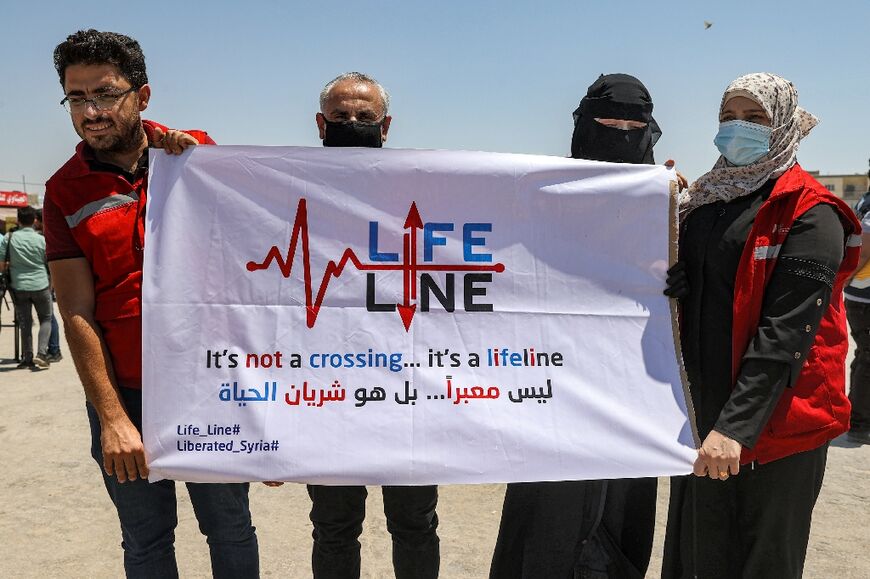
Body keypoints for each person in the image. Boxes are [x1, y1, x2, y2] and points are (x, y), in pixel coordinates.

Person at [43, 29, 259, 578]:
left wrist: (264, 413)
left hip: (208, 389)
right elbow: (76, 311)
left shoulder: (197, 154)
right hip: (128, 396)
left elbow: (254, 268)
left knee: (230, 531)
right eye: (76, 97)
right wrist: (111, 417)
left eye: (106, 93)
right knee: (146, 541)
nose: (91, 111)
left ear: (142, 96)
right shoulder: (64, 190)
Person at [662, 72, 860, 578]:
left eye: (755, 118)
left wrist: (734, 429)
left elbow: (787, 331)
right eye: (729, 117)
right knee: (698, 557)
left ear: (785, 125)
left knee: (760, 563)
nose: (737, 128)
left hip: (776, 425)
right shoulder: (707, 201)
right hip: (705, 415)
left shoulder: (812, 213)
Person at [489, 73, 678, 579]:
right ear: (582, 123)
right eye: (606, 122)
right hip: (555, 382)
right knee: (547, 515)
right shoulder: (544, 193)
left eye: (630, 124)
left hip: (633, 386)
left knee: (619, 510)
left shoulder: (667, 201)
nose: (618, 133)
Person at [307, 72, 439, 579]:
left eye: (365, 117)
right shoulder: (286, 186)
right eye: (340, 117)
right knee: (334, 527)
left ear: (386, 127)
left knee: (415, 523)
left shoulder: (424, 185)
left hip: (409, 389)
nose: (353, 124)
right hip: (326, 387)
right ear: (320, 124)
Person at [0, 205, 52, 369]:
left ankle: (27, 357)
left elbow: (2, 265)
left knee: (25, 322)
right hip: (41, 284)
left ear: (18, 220)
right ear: (35, 221)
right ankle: (42, 354)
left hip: (19, 286)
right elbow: (49, 263)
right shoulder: (42, 239)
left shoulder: (9, 238)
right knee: (46, 318)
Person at [843, 168, 870, 445]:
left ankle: (856, 416)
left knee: (864, 356)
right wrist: (845, 280)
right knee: (868, 359)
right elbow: (863, 251)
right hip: (864, 297)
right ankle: (860, 424)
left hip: (860, 295)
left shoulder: (864, 201)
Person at [33, 208, 63, 362]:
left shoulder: (47, 236)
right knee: (50, 317)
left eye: (37, 220)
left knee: (50, 317)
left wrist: (52, 284)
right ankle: (54, 349)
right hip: (48, 280)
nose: (35, 223)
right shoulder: (45, 236)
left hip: (48, 281)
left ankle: (55, 350)